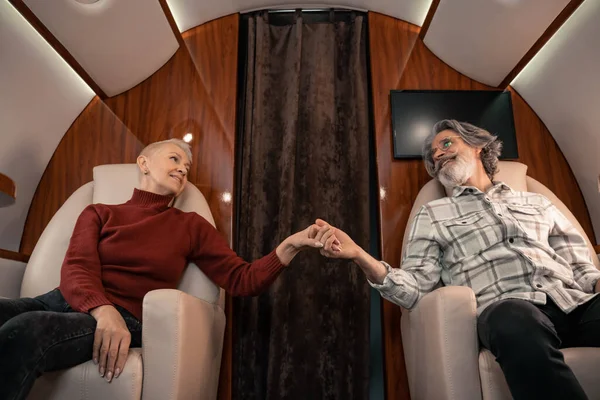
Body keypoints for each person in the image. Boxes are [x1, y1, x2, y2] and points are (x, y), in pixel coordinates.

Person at [0, 138, 334, 400]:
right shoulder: (99, 212)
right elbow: (77, 267)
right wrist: (103, 310)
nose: (182, 169)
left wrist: (291, 245)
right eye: (174, 159)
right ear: (143, 163)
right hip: (64, 301)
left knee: (28, 329)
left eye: (186, 167)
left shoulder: (191, 226)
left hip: (124, 316)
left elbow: (242, 279)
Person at [314, 119, 600, 400]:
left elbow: (581, 267)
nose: (437, 154)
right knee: (512, 318)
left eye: (446, 143)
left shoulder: (537, 202)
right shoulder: (434, 213)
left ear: (478, 146)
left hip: (573, 303)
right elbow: (415, 288)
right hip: (511, 310)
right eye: (432, 154)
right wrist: (360, 256)